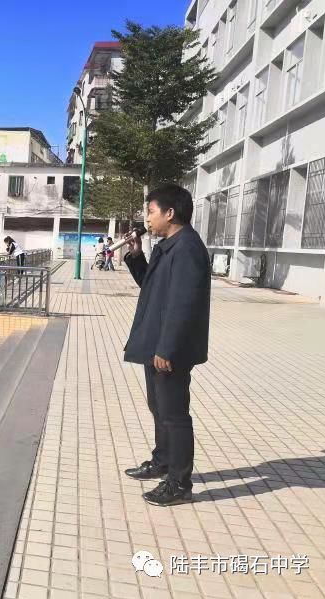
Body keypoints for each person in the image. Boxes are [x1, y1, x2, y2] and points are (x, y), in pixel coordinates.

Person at [122, 184, 211, 507]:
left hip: (169, 348)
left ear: (170, 213)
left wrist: (168, 349)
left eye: (151, 211)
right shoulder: (167, 245)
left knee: (175, 415)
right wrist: (135, 254)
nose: (148, 218)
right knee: (158, 407)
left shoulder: (187, 248)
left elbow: (183, 305)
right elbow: (151, 285)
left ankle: (179, 483)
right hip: (155, 342)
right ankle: (162, 461)